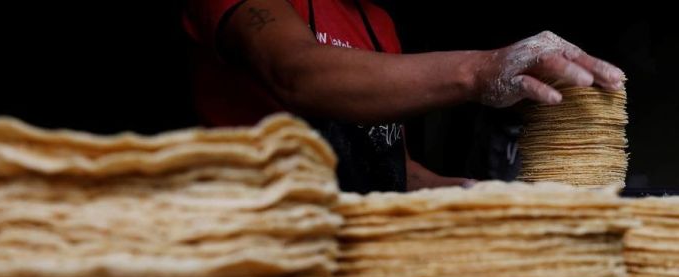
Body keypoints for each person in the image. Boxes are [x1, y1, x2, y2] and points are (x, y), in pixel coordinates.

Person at [183, 0, 625, 193]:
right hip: (252, 241)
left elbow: (389, 169)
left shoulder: (379, 24)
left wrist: (471, 193)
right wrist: (479, 70)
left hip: (355, 249)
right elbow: (296, 74)